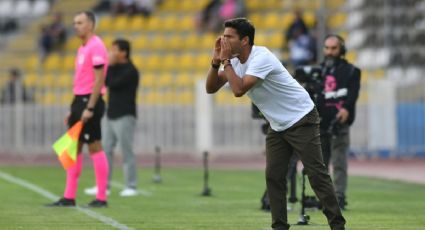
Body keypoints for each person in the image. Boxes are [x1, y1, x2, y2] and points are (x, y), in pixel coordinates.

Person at [205, 18, 345, 230]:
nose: (224, 40)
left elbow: (239, 90)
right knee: (274, 176)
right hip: (278, 125)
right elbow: (211, 87)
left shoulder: (261, 57)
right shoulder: (233, 61)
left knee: (316, 174)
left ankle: (337, 225)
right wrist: (216, 62)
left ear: (244, 41)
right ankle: (279, 226)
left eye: (229, 36)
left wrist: (225, 62)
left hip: (301, 117)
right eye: (223, 36)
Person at [47, 11, 109, 208]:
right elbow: (82, 80)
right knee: (72, 148)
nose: (76, 26)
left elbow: (99, 80)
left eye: (80, 22)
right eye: (74, 23)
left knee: (95, 147)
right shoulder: (82, 48)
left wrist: (89, 107)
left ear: (90, 24)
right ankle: (69, 196)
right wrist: (73, 108)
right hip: (79, 101)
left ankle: (101, 197)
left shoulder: (96, 46)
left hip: (90, 101)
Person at [84, 38, 140, 197]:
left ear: (124, 52)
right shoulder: (113, 68)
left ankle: (131, 185)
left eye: (114, 49)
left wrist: (106, 66)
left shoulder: (130, 70)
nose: (111, 53)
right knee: (106, 150)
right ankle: (104, 186)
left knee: (126, 151)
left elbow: (111, 83)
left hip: (125, 115)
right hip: (111, 115)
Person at [318, 34, 361, 210]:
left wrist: (346, 109)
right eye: (327, 48)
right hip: (319, 123)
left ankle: (339, 196)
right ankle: (323, 198)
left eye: (333, 48)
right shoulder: (317, 71)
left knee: (339, 162)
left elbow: (353, 94)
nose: (329, 52)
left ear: (341, 50)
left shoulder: (352, 71)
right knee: (319, 165)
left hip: (339, 123)